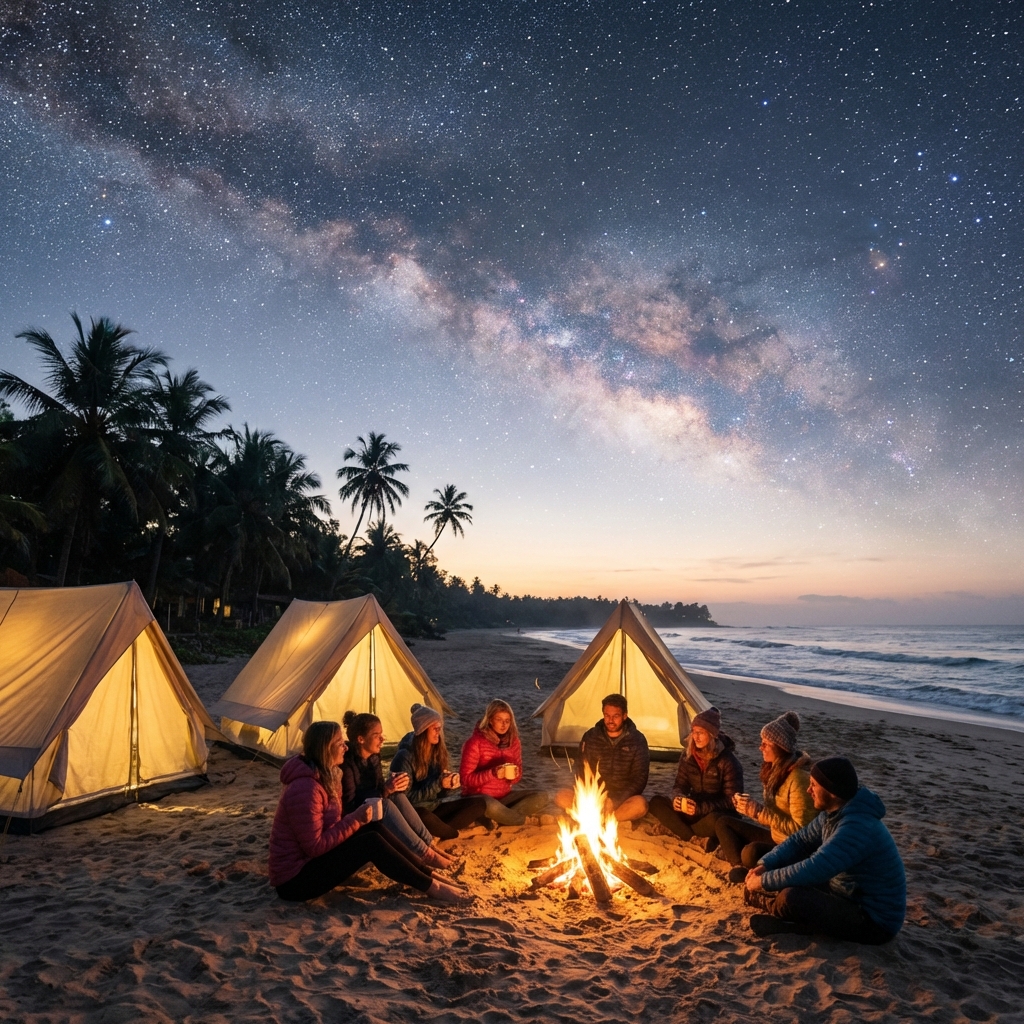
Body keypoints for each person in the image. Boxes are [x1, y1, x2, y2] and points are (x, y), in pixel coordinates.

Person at [267, 720, 469, 904]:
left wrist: (359, 820)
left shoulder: (327, 776)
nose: (345, 747)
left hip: (313, 862)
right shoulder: (305, 789)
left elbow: (331, 828)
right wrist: (355, 819)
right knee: (369, 842)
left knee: (374, 827)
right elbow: (315, 846)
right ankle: (433, 887)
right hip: (295, 880)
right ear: (325, 749)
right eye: (340, 743)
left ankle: (427, 874)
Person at [744, 756, 906, 943]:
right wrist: (765, 865)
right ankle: (794, 920)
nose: (808, 790)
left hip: (872, 920)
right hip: (844, 892)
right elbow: (799, 841)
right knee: (770, 862)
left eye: (813, 785)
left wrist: (763, 882)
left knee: (791, 897)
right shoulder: (833, 813)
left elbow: (816, 867)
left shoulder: (856, 827)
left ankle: (782, 914)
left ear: (833, 792)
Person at [340, 710, 457, 870]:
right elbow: (350, 804)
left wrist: (446, 786)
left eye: (382, 734)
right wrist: (386, 789)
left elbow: (380, 788)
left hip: (420, 806)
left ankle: (430, 845)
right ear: (361, 739)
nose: (382, 739)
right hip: (357, 818)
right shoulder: (347, 764)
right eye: (377, 735)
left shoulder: (374, 757)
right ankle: (425, 853)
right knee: (387, 804)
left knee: (396, 796)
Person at [715, 711, 815, 882]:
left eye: (766, 744)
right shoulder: (773, 771)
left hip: (791, 846)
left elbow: (802, 831)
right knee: (723, 823)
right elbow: (772, 815)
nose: (760, 747)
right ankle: (739, 866)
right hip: (775, 835)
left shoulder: (797, 779)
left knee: (751, 852)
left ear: (779, 747)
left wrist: (759, 813)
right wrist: (748, 808)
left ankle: (746, 867)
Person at [648, 706, 743, 850]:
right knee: (656, 803)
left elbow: (732, 800)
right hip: (693, 811)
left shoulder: (728, 761)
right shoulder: (688, 756)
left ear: (712, 735)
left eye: (701, 733)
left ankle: (683, 832)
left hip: (713, 814)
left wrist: (701, 808)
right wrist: (678, 798)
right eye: (694, 732)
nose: (696, 737)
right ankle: (693, 837)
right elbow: (680, 785)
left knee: (719, 821)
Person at [389, 703, 488, 839]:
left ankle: (439, 830)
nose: (438, 732)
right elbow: (405, 800)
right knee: (424, 815)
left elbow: (440, 795)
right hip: (415, 812)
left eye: (440, 728)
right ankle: (447, 831)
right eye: (435, 729)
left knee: (479, 803)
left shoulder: (436, 752)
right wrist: (438, 784)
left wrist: (449, 785)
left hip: (435, 807)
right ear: (423, 730)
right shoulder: (404, 757)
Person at [554, 694, 650, 822]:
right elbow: (580, 768)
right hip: (594, 795)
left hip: (622, 799)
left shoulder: (637, 739)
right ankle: (600, 819)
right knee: (561, 796)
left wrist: (615, 800)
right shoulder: (591, 736)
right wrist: (591, 796)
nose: (610, 720)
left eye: (615, 716)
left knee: (640, 805)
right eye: (607, 715)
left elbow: (640, 778)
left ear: (624, 715)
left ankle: (604, 821)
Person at [459, 699, 551, 826]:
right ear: (490, 720)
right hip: (479, 798)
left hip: (503, 797)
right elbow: (465, 779)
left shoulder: (514, 742)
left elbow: (516, 778)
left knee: (542, 795)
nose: (504, 725)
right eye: (499, 720)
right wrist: (492, 773)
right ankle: (515, 819)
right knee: (490, 805)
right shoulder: (475, 743)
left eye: (507, 721)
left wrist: (516, 774)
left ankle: (500, 818)